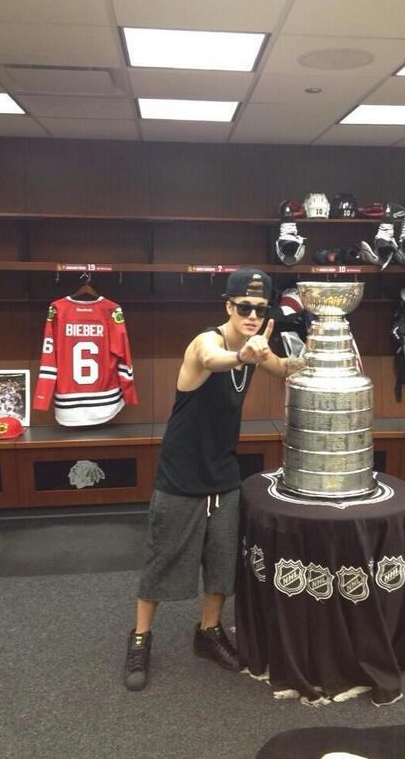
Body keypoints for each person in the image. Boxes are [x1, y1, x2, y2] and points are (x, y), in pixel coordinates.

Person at [124, 267, 305, 691]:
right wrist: (244, 355)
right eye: (244, 307)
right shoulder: (208, 342)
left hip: (223, 471)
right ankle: (139, 639)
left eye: (260, 309)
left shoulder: (258, 347)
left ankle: (208, 632)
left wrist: (316, 357)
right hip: (181, 474)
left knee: (223, 561)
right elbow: (212, 359)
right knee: (162, 559)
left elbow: (284, 368)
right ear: (228, 306)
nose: (252, 315)